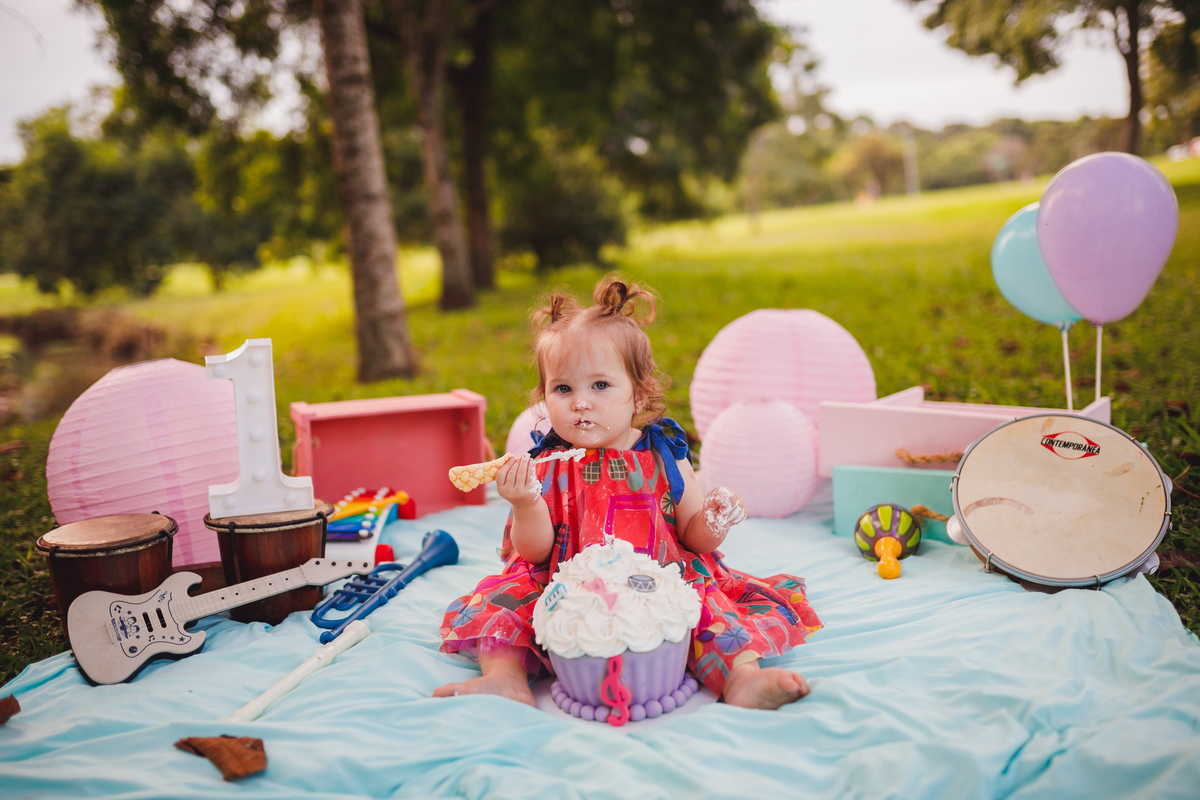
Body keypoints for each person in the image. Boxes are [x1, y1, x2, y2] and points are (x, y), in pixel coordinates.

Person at [434, 276, 822, 709]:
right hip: (565, 582)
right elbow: (535, 553)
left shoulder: (663, 454)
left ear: (638, 395)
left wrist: (714, 520)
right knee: (505, 599)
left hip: (662, 578)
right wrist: (525, 503)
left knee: (707, 605)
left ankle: (742, 678)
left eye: (600, 385)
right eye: (563, 388)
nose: (580, 402)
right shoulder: (545, 464)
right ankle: (505, 679)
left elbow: (694, 537)